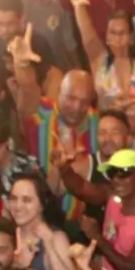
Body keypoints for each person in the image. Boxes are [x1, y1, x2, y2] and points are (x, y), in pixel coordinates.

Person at [25, 70, 98, 220]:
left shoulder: (99, 124)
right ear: (59, 91)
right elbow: (25, 91)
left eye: (84, 102)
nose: (77, 107)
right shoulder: (38, 116)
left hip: (84, 224)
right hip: (40, 219)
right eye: (71, 98)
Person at [0, 0, 62, 99]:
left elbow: (52, 80)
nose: (4, 30)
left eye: (10, 24)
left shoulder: (38, 43)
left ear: (22, 19)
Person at [7, 172, 80, 270]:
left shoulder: (56, 237)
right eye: (13, 199)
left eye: (27, 200)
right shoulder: (5, 234)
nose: (18, 206)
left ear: (42, 204)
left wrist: (49, 247)